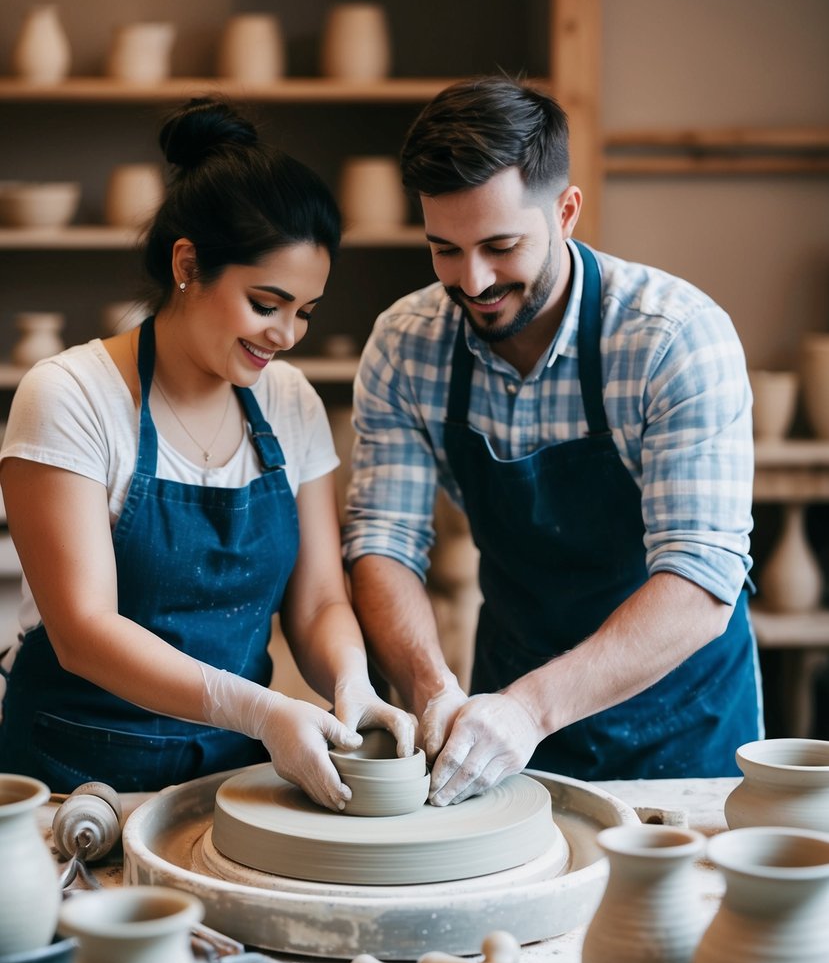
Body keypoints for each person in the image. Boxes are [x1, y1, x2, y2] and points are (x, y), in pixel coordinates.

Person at [343, 75, 762, 806]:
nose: (472, 280)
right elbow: (382, 540)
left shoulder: (673, 339)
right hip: (504, 705)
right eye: (443, 249)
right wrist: (430, 685)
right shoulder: (405, 345)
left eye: (499, 246)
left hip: (681, 720)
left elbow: (700, 578)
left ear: (565, 210)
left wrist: (533, 707)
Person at [0, 96, 412, 803]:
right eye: (265, 303)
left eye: (305, 312)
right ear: (188, 263)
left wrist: (352, 680)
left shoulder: (290, 402)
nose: (286, 335)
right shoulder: (71, 395)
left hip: (231, 773)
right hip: (76, 776)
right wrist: (262, 707)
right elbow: (84, 631)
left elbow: (316, 602)